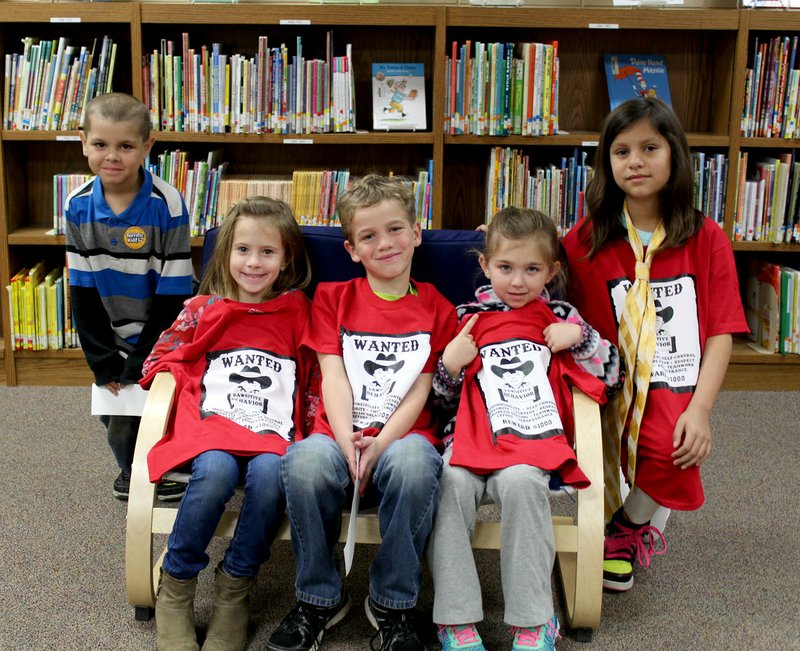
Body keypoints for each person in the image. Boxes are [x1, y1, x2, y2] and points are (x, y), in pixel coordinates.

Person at [562, 97, 749, 593]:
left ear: (675, 154)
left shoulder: (707, 238)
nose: (635, 161)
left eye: (649, 147)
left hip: (674, 378)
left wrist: (702, 408)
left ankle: (623, 530)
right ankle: (631, 518)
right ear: (607, 163)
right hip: (607, 372)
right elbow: (538, 270)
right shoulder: (586, 240)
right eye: (621, 151)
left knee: (674, 441)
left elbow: (721, 331)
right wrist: (498, 242)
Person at [266, 174, 457, 651]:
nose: (385, 243)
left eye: (395, 230)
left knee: (416, 464)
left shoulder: (438, 308)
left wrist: (382, 442)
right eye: (369, 236)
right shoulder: (334, 298)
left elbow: (422, 386)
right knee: (304, 461)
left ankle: (392, 604)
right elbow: (333, 374)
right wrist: (349, 434)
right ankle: (319, 598)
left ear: (416, 234)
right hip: (338, 432)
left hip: (405, 439)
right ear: (352, 249)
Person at [428, 207, 621, 651]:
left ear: (551, 270)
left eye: (532, 269)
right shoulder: (465, 317)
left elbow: (613, 378)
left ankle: (535, 621)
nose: (517, 281)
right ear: (484, 265)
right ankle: (455, 619)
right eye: (505, 268)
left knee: (521, 486)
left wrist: (583, 338)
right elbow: (439, 403)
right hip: (469, 442)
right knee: (450, 484)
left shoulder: (560, 316)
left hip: (531, 447)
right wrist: (450, 367)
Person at [140, 197, 314, 651]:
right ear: (226, 254)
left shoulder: (298, 310)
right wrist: (178, 366)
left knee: (271, 474)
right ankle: (175, 584)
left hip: (272, 431)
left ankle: (235, 585)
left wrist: (314, 429)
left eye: (267, 252)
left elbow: (314, 372)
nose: (253, 263)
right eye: (243, 250)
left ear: (286, 258)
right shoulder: (202, 308)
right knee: (214, 471)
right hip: (213, 427)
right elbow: (160, 358)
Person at [65, 92, 194, 501]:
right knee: (114, 412)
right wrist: (102, 360)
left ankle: (162, 466)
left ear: (147, 147)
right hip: (110, 332)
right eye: (100, 144)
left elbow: (174, 291)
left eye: (126, 146)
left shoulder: (167, 204)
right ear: (83, 142)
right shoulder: (77, 206)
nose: (112, 156)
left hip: (162, 330)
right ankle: (129, 469)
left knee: (162, 406)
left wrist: (145, 358)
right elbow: (81, 290)